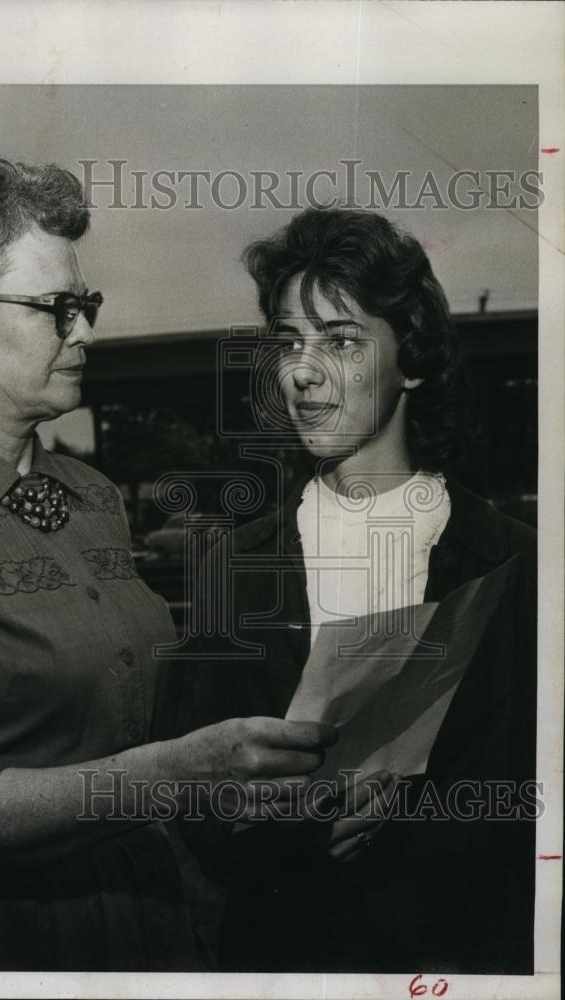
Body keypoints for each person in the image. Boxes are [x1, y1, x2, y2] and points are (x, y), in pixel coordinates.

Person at [0, 154, 338, 972]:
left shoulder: (92, 494)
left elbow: (144, 724)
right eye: (57, 309)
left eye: (86, 305)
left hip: (154, 923)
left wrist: (255, 786)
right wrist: (169, 774)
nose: (87, 332)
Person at [156, 207, 537, 973]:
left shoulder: (515, 564)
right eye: (290, 342)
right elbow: (187, 799)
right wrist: (270, 833)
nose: (301, 371)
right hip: (289, 956)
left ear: (414, 360)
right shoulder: (233, 568)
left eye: (339, 340)